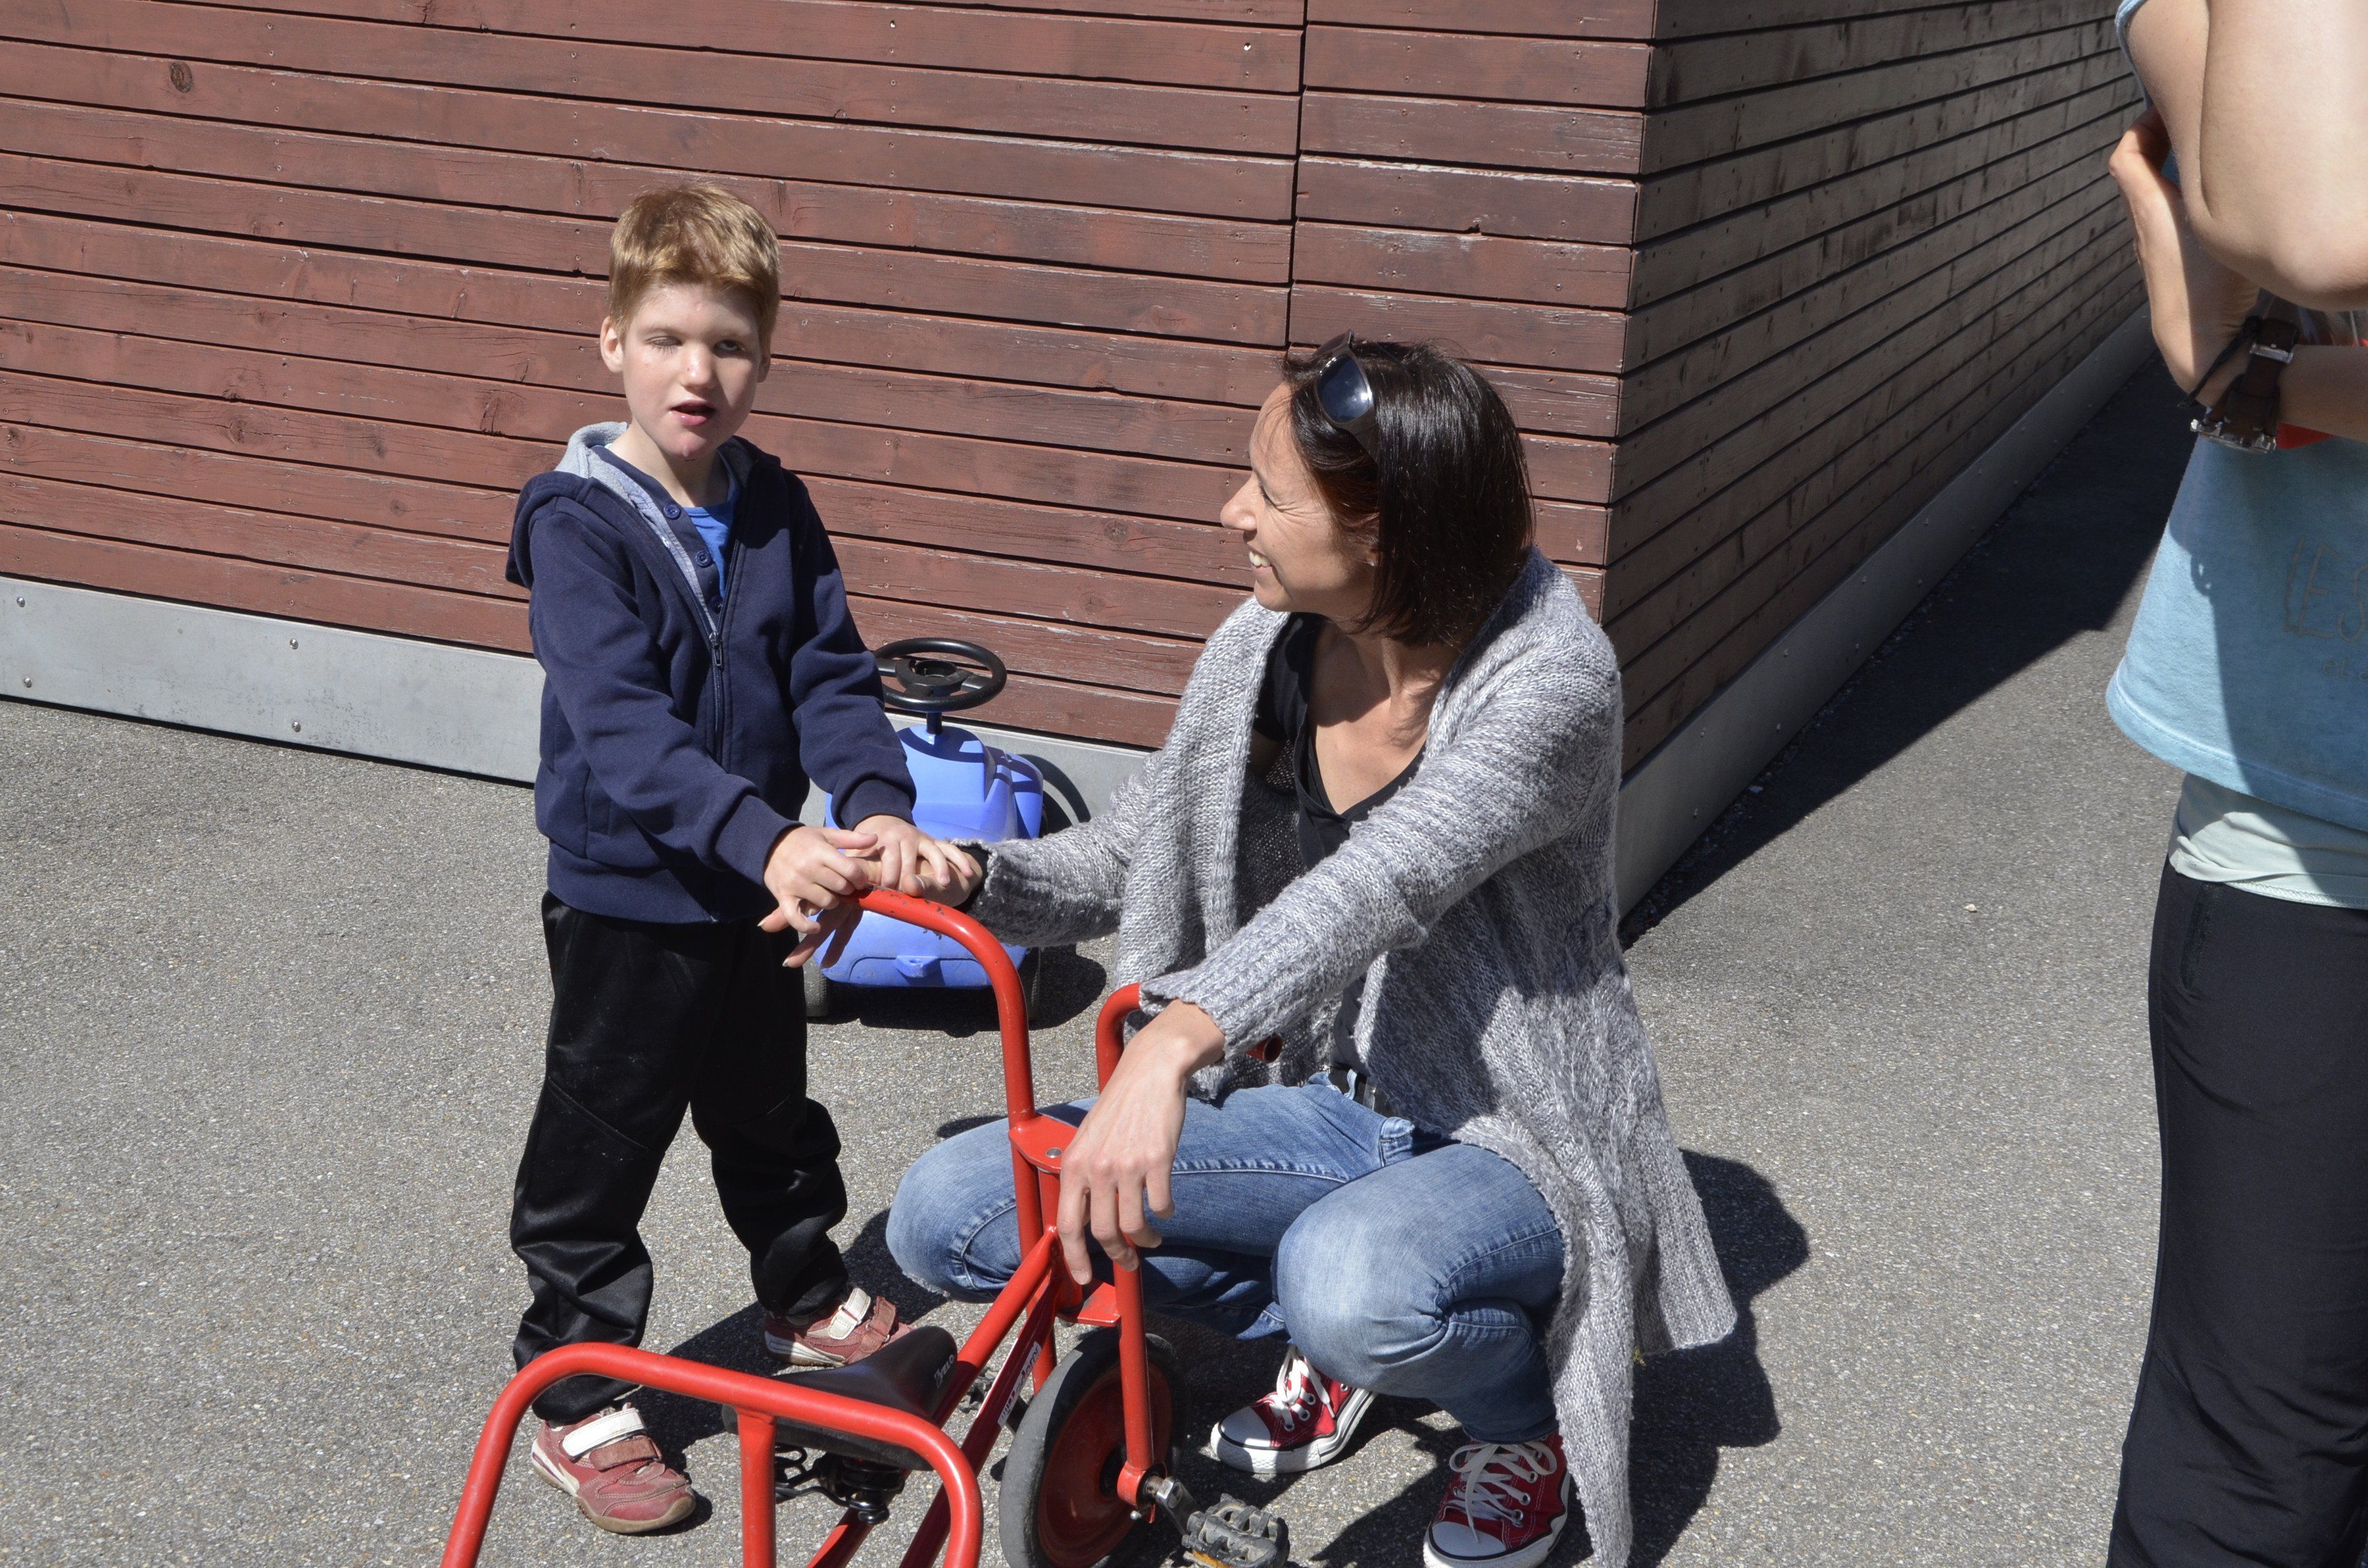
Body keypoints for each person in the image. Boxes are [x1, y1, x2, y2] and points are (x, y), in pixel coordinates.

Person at [889, 338, 1735, 1568]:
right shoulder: (1266, 645)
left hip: (1510, 1126)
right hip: (1323, 1103)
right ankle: (1342, 1333)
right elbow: (1140, 850)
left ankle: (1519, 1420)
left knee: (1351, 1282)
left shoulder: (1549, 678)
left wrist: (1174, 1045)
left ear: (1384, 533)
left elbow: (1385, 882)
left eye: (1269, 494)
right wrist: (965, 873)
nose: (1233, 512)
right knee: (953, 1216)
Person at [500, 184, 973, 1535]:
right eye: (666, 339)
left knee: (768, 1107)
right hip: (633, 896)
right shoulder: (577, 522)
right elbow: (624, 727)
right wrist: (769, 836)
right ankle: (576, 1388)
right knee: (603, 1141)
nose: (696, 373)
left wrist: (874, 803)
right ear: (613, 342)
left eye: (729, 345)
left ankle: (803, 1288)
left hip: (762, 894)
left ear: (764, 356)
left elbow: (828, 670)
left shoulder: (773, 503)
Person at [2105, 3, 2368, 1562]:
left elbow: (2281, 282)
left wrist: (2279, 385)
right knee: (2265, 1461)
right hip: (2315, 827)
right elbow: (2315, 219)